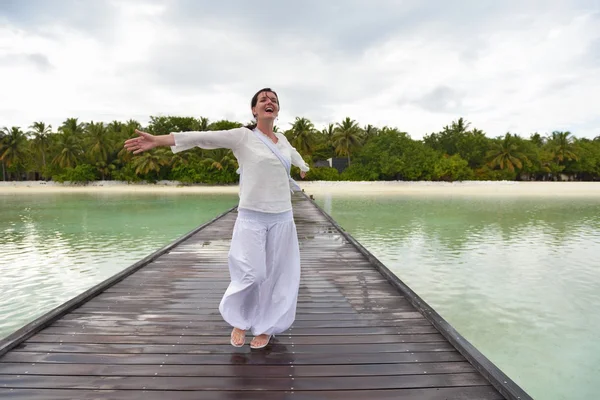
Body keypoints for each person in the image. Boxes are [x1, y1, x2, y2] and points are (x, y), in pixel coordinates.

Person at [124, 88, 309, 349]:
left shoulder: (283, 139)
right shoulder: (243, 136)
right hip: (252, 217)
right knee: (251, 273)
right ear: (254, 110)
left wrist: (303, 168)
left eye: (274, 100)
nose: (269, 102)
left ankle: (266, 327)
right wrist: (160, 140)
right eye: (263, 99)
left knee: (277, 277)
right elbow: (202, 137)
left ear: (277, 110)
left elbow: (293, 155)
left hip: (282, 218)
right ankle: (240, 319)